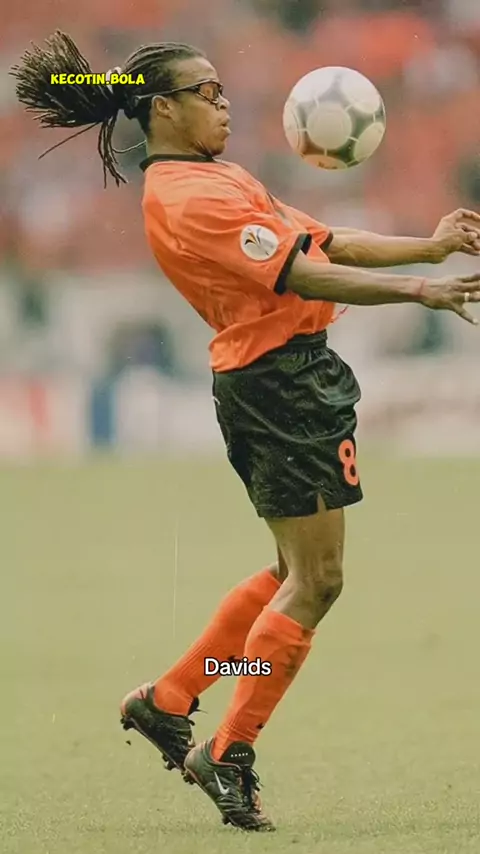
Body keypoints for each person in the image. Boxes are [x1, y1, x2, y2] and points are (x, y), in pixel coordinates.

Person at [12, 32, 480, 833]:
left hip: (285, 379)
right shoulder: (187, 197)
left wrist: (429, 246)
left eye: (224, 90)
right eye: (209, 93)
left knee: (294, 573)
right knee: (316, 581)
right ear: (164, 108)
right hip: (278, 387)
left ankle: (170, 698)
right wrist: (420, 291)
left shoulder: (218, 177)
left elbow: (325, 242)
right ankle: (227, 750)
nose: (226, 105)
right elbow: (302, 273)